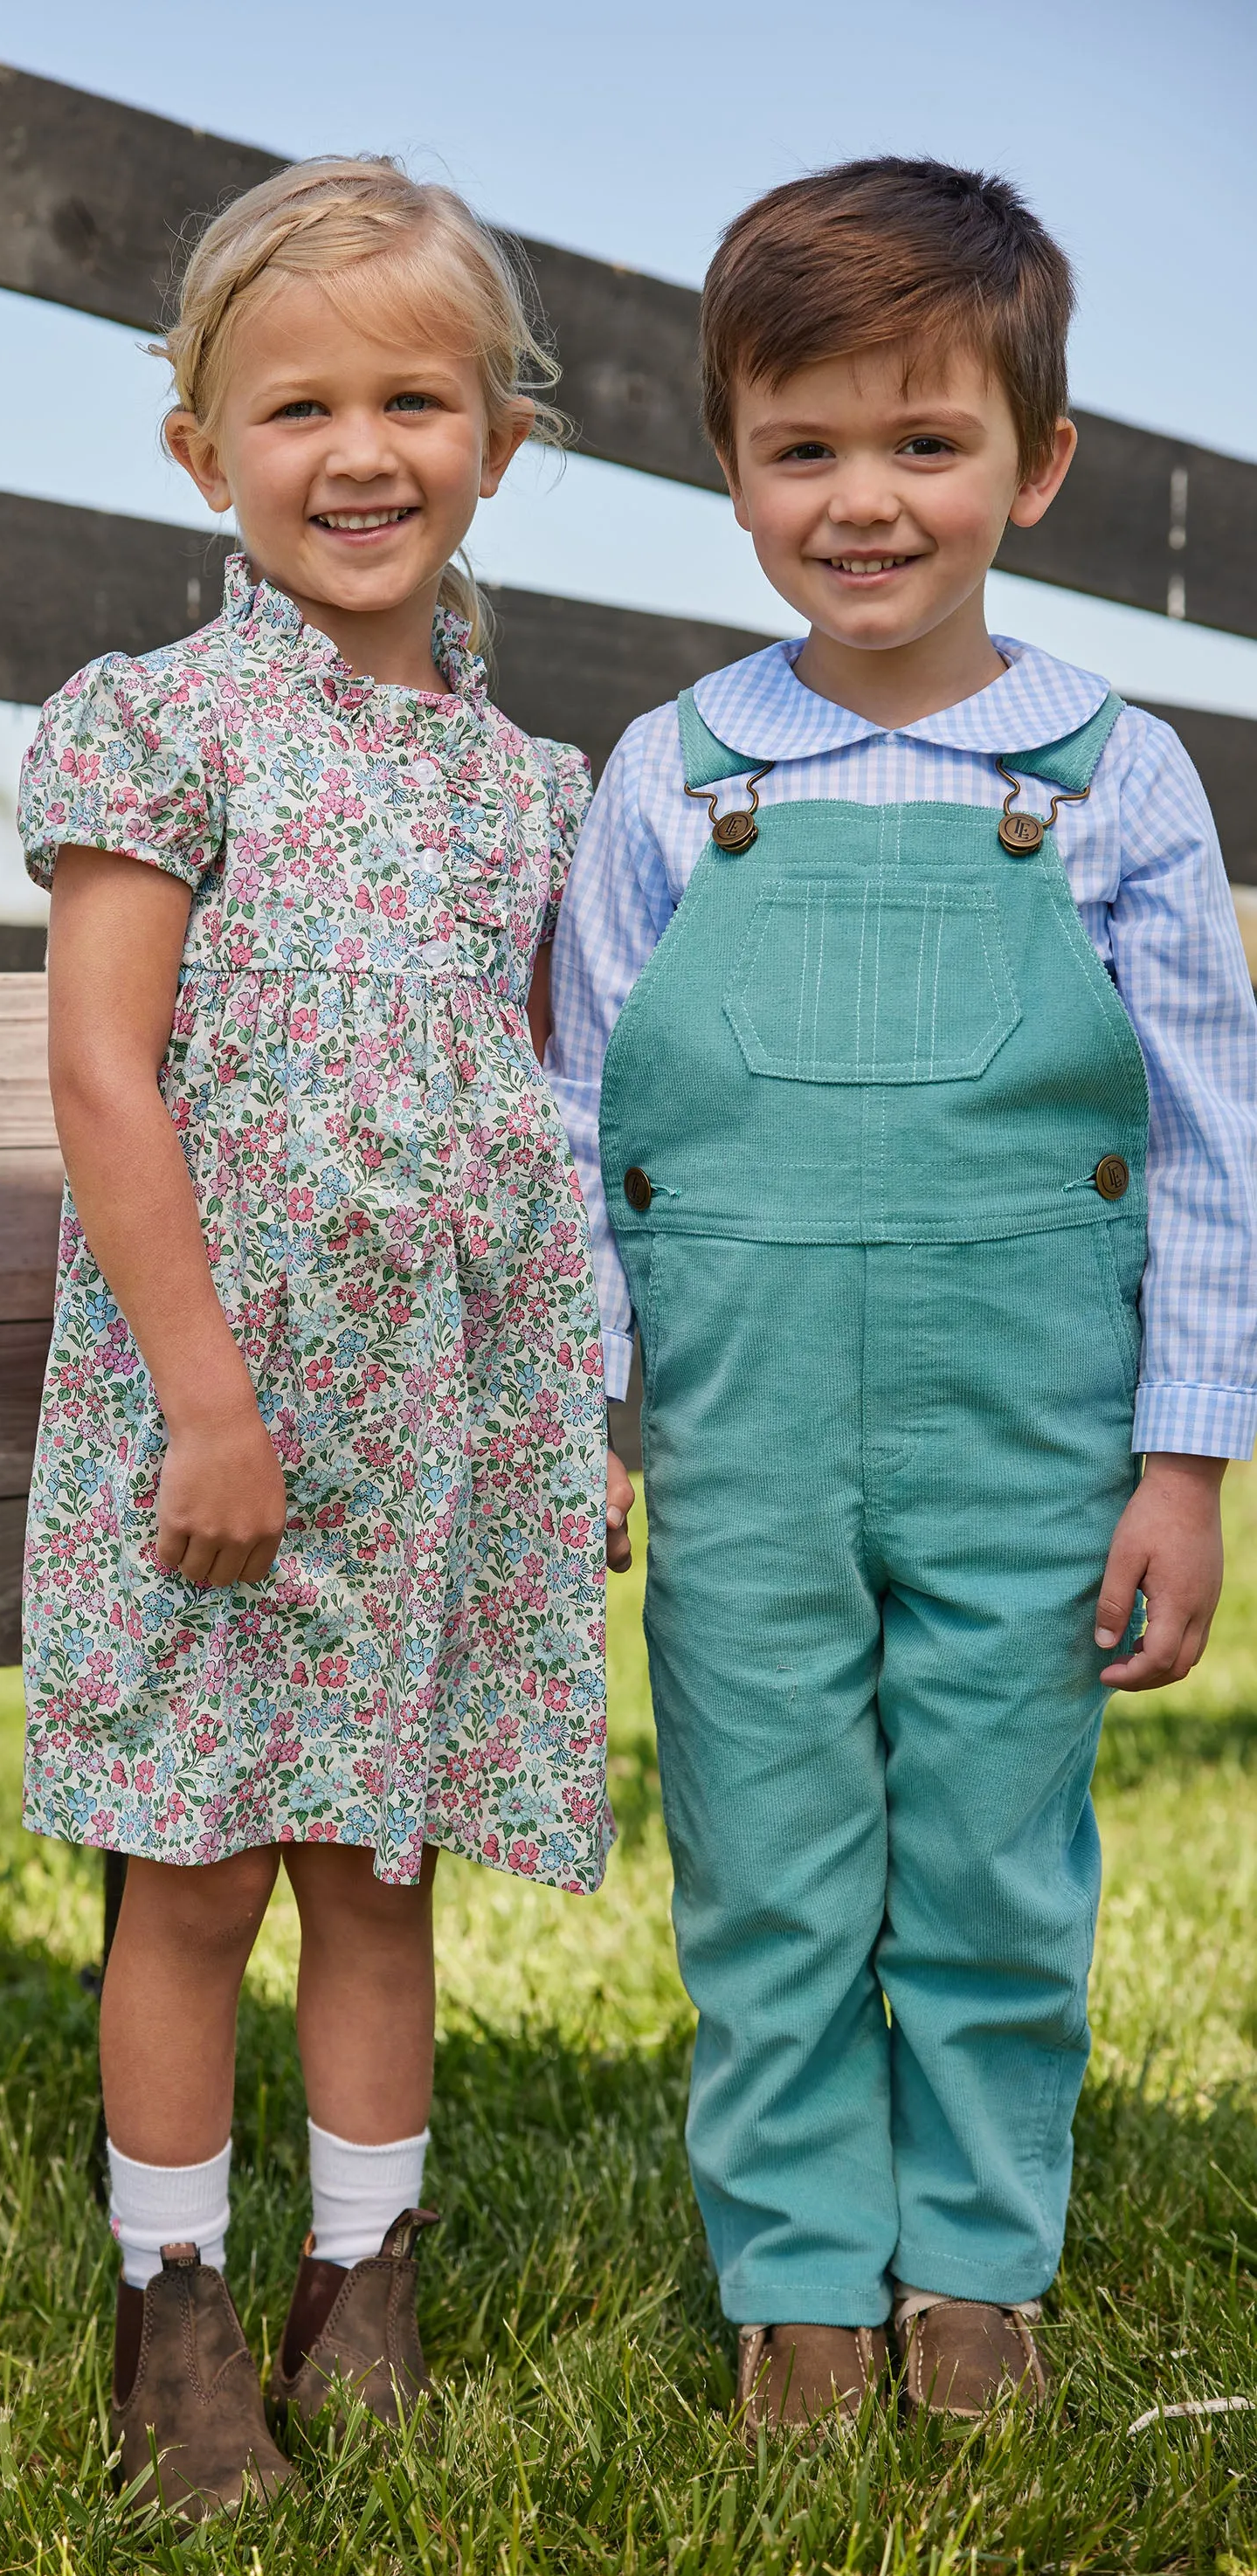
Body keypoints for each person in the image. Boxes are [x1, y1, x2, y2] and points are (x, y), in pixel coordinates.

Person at [548, 157, 1257, 2436]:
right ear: (732, 464)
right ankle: (793, 2280)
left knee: (984, 1845)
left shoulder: (1111, 775)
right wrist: (580, 1414)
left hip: (1026, 1431)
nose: (864, 501)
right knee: (763, 1846)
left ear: (1030, 466)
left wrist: (1183, 1458)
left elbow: (1204, 1147)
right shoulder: (672, 778)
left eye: (923, 442)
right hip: (742, 1432)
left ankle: (966, 2268)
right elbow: (578, 1125)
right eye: (805, 446)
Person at [17, 156, 630, 2522]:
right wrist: (204, 1404)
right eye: (294, 407)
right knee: (194, 1868)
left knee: (378, 1868)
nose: (355, 451)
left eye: (411, 398)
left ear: (496, 438)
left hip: (440, 1425)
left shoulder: (521, 786)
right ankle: (169, 2302)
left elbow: (532, 1122)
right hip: (217, 1422)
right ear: (201, 452)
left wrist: (572, 1420)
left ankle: (357, 2283)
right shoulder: (158, 722)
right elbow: (100, 1070)